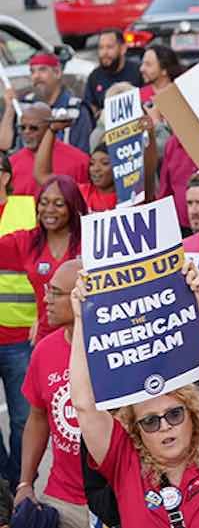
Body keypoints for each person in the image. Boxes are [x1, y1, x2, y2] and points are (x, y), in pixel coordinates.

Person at [70, 261, 199, 528]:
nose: (165, 426)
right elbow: (84, 405)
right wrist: (82, 321)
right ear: (137, 431)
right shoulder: (125, 466)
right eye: (150, 421)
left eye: (175, 414)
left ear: (194, 416)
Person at [14, 260, 86, 528]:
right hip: (62, 498)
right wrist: (24, 483)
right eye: (48, 289)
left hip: (116, 499)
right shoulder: (44, 351)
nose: (46, 299)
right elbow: (37, 418)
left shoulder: (114, 351)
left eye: (56, 292)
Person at [0, 175, 85, 343]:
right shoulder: (26, 241)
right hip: (46, 339)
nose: (49, 210)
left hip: (85, 338)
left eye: (59, 204)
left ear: (73, 206)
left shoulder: (91, 240)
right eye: (43, 203)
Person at [0, 154, 36, 489]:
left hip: (19, 336)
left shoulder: (27, 208)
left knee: (24, 419)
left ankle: (17, 484)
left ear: (7, 177)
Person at [1, 101, 88, 196]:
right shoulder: (11, 163)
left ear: (48, 126)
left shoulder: (79, 161)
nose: (26, 132)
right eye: (22, 128)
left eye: (33, 128)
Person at [17, 53, 95, 155]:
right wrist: (10, 108)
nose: (36, 76)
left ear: (57, 73)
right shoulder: (25, 105)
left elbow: (82, 153)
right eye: (32, 71)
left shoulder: (76, 109)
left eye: (42, 70)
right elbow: (11, 145)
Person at [33, 126, 115, 213]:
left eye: (105, 163)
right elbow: (42, 175)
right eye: (92, 163)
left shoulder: (128, 195)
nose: (96, 169)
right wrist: (52, 130)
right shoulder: (80, 192)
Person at [82, 31, 143, 117]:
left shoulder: (139, 72)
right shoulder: (94, 76)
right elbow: (90, 108)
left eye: (109, 47)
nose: (104, 53)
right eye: (101, 48)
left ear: (123, 49)